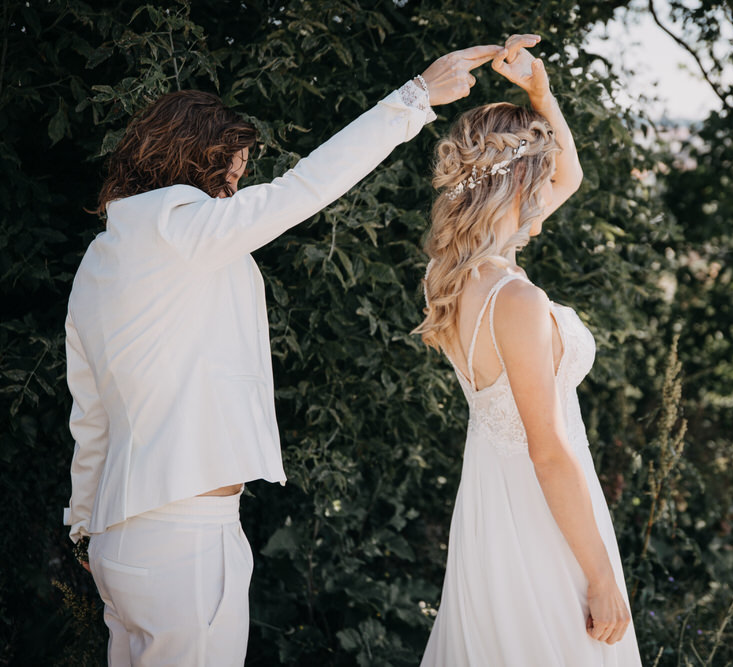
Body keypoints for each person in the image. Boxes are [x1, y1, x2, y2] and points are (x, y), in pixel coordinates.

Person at [63, 43, 502, 665]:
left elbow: (91, 418)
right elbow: (304, 189)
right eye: (232, 169)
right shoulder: (184, 230)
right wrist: (415, 98)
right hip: (184, 540)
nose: (238, 183)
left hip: (116, 538)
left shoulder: (98, 262)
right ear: (195, 161)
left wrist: (84, 522)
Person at [413, 34, 642, 666]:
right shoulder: (513, 299)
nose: (551, 193)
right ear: (516, 180)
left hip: (493, 504)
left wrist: (540, 93)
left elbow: (570, 172)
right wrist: (599, 574)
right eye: (538, 180)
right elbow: (547, 450)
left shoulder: (450, 274)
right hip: (543, 518)